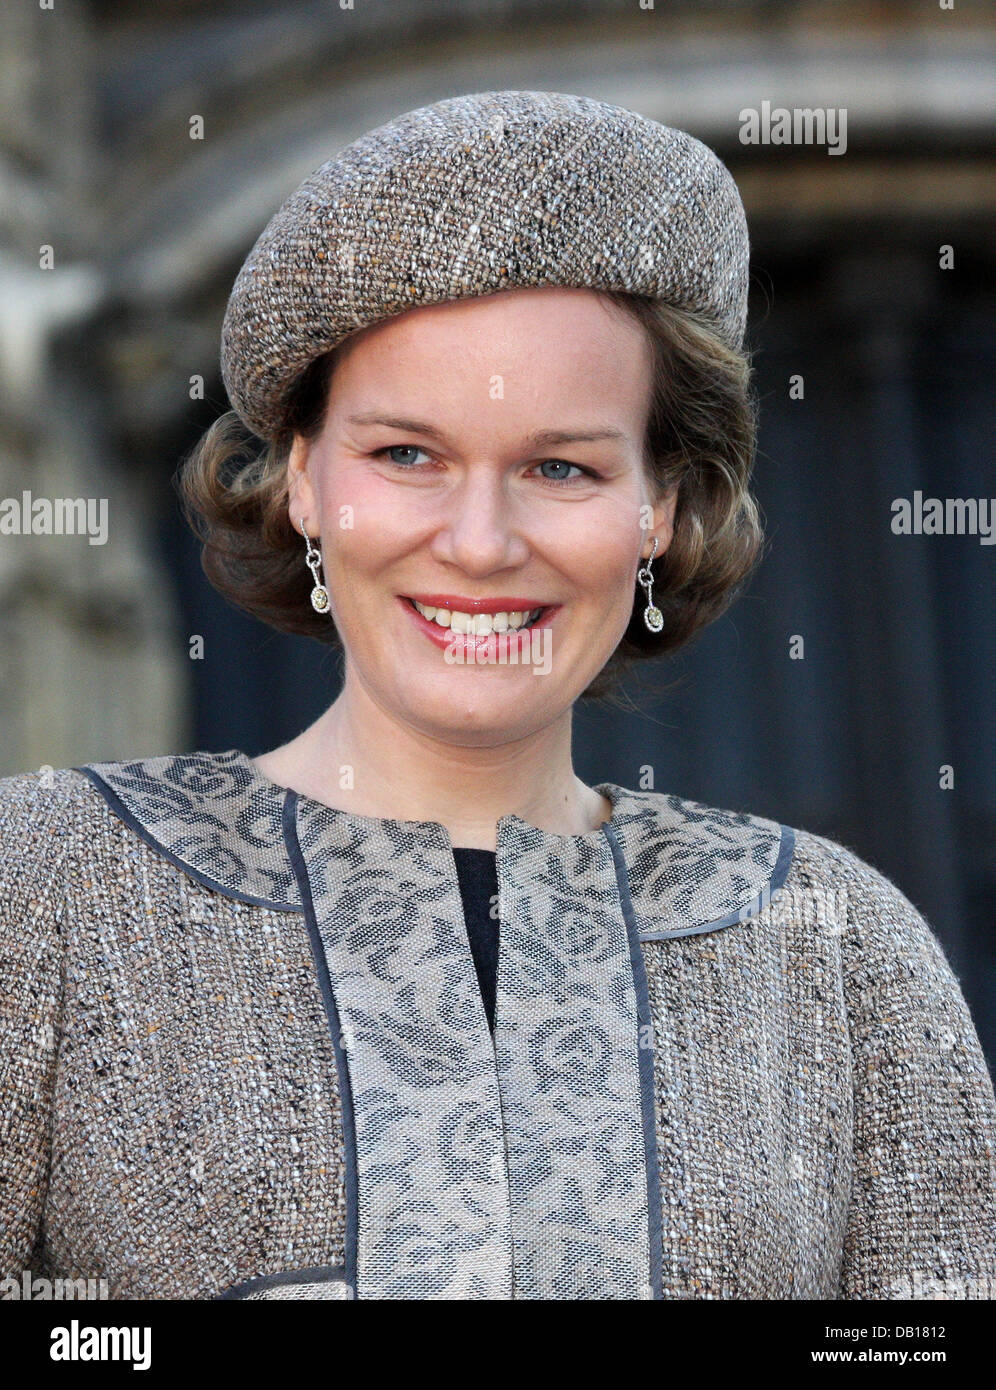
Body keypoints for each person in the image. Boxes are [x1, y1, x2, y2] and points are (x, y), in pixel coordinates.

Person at [1, 90, 994, 1302]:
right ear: (305, 479)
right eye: (406, 454)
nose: (478, 542)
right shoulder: (50, 887)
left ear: (663, 508)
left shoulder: (841, 951)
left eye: (560, 466)